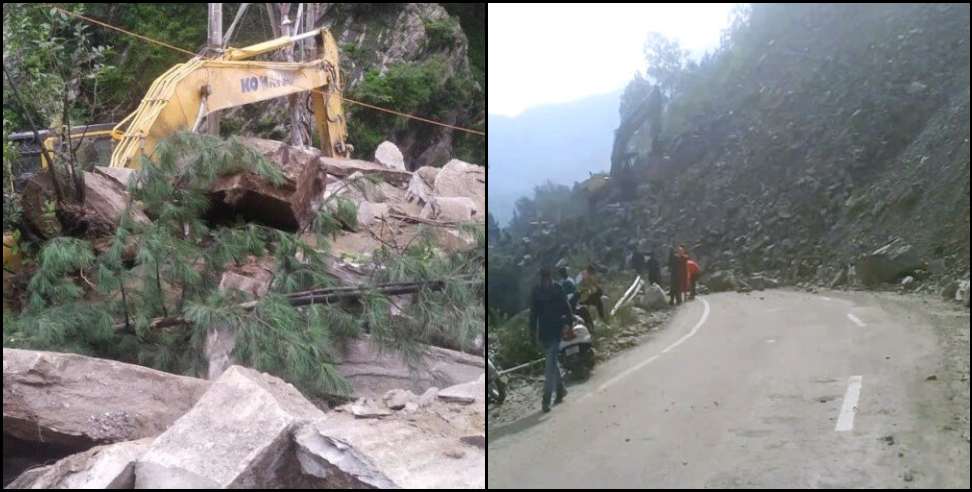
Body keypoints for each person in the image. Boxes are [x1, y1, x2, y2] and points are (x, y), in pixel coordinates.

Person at [529, 267, 571, 413]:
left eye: (548, 278)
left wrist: (568, 324)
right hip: (544, 333)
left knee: (548, 367)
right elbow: (533, 315)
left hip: (556, 331)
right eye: (544, 278)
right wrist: (532, 334)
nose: (546, 281)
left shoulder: (558, 289)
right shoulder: (536, 292)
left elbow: (567, 308)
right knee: (552, 363)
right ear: (541, 279)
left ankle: (545, 400)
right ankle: (560, 390)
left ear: (551, 278)